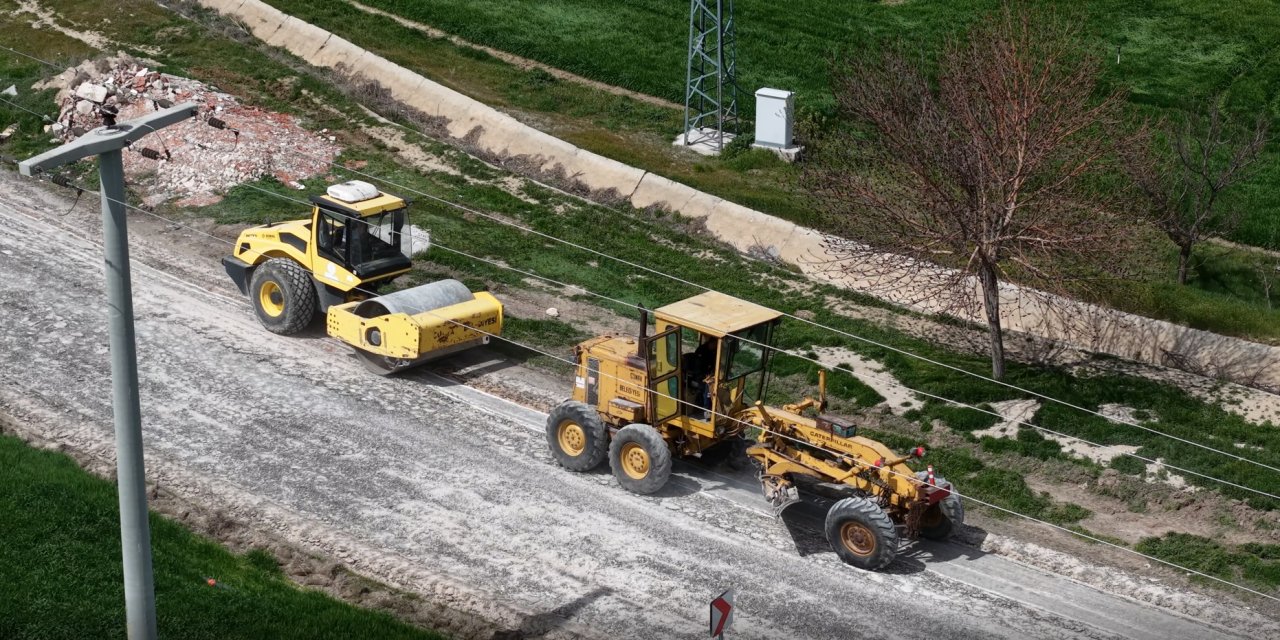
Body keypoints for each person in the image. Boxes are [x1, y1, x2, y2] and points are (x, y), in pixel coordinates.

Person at [682, 335, 716, 419]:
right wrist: (704, 376)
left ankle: (714, 407)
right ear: (711, 343)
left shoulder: (714, 351)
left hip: (707, 374)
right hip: (696, 375)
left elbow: (713, 364)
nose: (715, 347)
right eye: (714, 345)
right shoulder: (701, 351)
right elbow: (697, 368)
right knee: (706, 387)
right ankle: (705, 409)